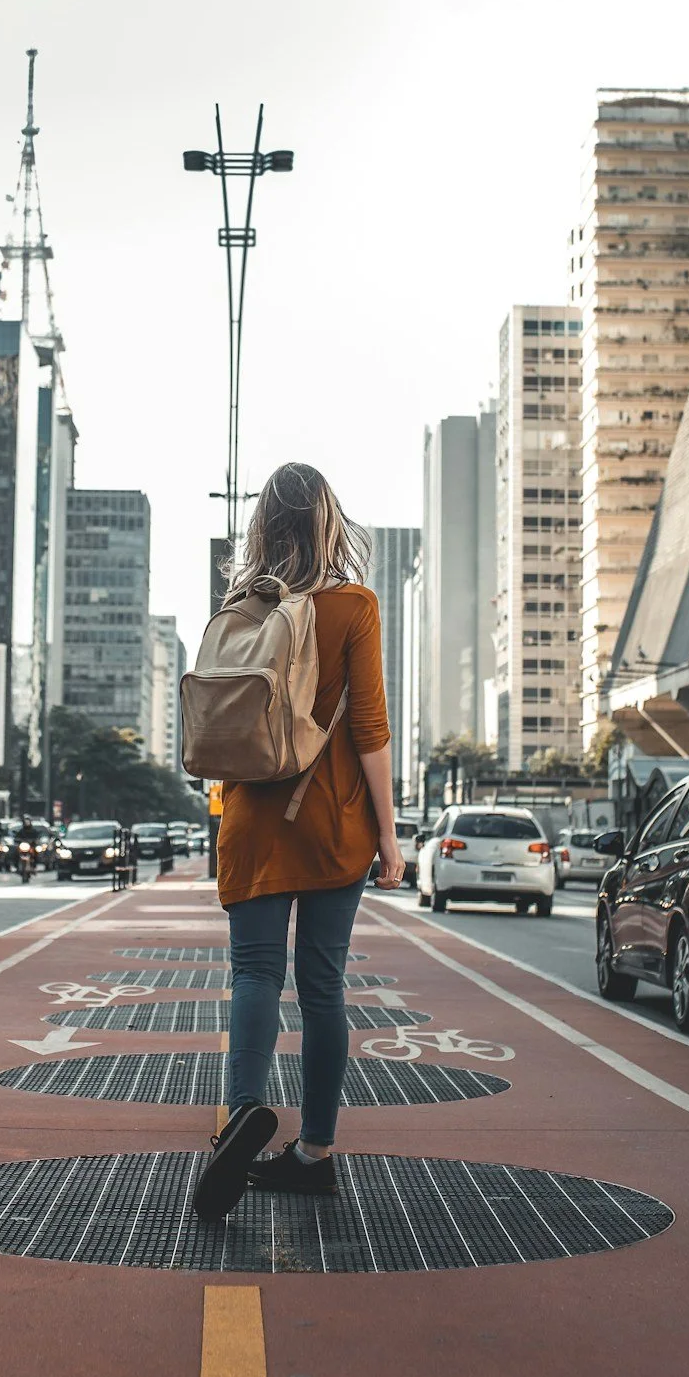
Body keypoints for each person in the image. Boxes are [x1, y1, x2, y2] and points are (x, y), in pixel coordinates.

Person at [192, 463, 401, 1222]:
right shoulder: (355, 606)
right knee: (322, 987)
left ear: (262, 528)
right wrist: (389, 833)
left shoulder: (240, 608)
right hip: (333, 826)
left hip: (252, 822)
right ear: (327, 522)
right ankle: (313, 1152)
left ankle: (243, 1113)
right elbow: (371, 730)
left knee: (253, 974)